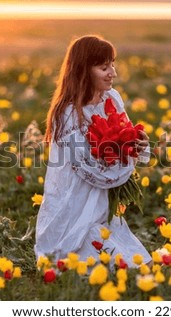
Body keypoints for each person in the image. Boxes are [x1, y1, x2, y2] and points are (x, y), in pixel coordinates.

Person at [34, 35, 152, 267]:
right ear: (83, 70)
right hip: (76, 201)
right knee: (83, 262)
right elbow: (89, 168)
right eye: (103, 67)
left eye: (112, 65)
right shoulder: (67, 114)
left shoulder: (113, 98)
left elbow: (128, 135)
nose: (113, 73)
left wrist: (139, 144)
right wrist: (121, 159)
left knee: (141, 264)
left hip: (102, 202)